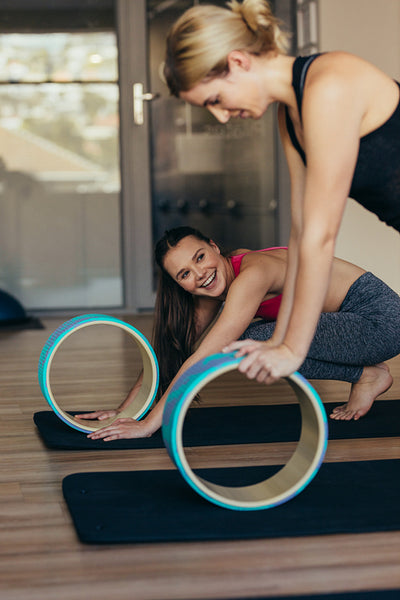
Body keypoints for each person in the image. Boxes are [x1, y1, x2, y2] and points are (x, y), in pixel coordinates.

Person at [163, 0, 400, 386]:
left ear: (238, 62)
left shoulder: (329, 87)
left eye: (215, 100)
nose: (221, 116)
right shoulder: (291, 115)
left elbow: (321, 236)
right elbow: (302, 231)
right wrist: (282, 338)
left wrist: (292, 347)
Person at [76, 226, 400, 441]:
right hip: (351, 324)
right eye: (185, 274)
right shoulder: (214, 285)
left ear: (214, 247)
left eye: (200, 257)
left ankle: (365, 373)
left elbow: (204, 357)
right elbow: (178, 352)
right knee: (257, 338)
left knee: (255, 342)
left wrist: (148, 426)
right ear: (179, 284)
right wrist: (129, 409)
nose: (199, 274)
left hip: (381, 320)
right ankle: (366, 373)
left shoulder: (251, 274)